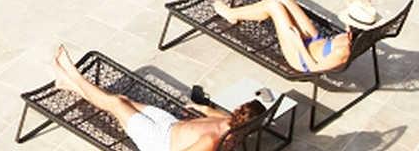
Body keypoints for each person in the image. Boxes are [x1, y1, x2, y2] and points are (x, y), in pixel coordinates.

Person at [49, 46, 263, 151]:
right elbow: (208, 112)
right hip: (169, 124)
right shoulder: (229, 121)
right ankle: (67, 83)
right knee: (122, 98)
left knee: (116, 103)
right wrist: (198, 107)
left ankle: (74, 74)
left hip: (158, 141)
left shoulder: (212, 141)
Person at [213, 0, 352, 73]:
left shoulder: (342, 53)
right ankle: (251, 12)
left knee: (274, 7)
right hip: (315, 40)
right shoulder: (355, 35)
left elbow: (314, 67)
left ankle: (231, 14)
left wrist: (299, 44)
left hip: (300, 57)